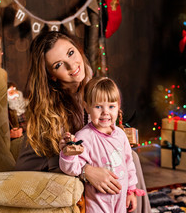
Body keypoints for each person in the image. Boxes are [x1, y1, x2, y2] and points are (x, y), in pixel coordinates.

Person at [14, 30, 151, 212]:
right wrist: (87, 171)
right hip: (43, 168)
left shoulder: (88, 86)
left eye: (71, 53)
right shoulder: (50, 108)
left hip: (76, 158)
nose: (72, 66)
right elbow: (56, 159)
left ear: (77, 50)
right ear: (51, 75)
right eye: (59, 65)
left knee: (128, 159)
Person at [59, 77, 146, 212]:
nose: (105, 112)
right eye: (98, 106)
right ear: (87, 106)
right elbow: (73, 168)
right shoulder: (84, 137)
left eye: (111, 106)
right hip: (98, 202)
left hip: (120, 198)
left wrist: (131, 191)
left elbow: (129, 164)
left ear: (118, 107)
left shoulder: (120, 135)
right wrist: (67, 155)